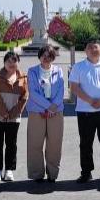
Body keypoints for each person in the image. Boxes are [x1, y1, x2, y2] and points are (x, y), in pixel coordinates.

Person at [69, 40, 100, 183]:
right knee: (85, 143)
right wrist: (90, 101)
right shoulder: (78, 67)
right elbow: (74, 87)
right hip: (85, 111)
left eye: (95, 47)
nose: (93, 49)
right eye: (89, 47)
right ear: (85, 50)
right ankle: (86, 172)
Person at [0, 51, 29, 183]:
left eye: (14, 61)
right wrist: (3, 112)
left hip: (14, 117)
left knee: (11, 144)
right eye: (8, 61)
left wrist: (12, 113)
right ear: (4, 63)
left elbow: (24, 97)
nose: (11, 63)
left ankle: (9, 170)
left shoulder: (23, 78)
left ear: (18, 62)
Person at [26, 44, 65, 183]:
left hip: (56, 111)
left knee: (54, 144)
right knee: (35, 143)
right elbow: (33, 93)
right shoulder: (32, 71)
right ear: (40, 56)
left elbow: (61, 91)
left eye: (49, 56)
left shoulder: (59, 71)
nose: (46, 58)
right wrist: (48, 107)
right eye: (43, 55)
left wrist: (53, 108)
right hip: (37, 111)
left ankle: (52, 174)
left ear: (53, 57)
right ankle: (37, 173)